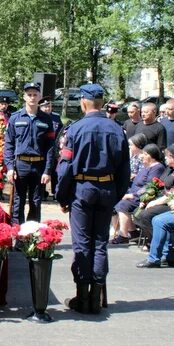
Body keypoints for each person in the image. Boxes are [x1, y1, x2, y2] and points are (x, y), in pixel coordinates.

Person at [55, 83, 130, 314]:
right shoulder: (117, 129)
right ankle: (95, 298)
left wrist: (62, 195)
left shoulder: (75, 129)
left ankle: (83, 297)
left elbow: (66, 167)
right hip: (107, 189)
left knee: (82, 244)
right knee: (99, 243)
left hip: (82, 189)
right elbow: (124, 169)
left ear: (84, 102)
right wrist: (115, 194)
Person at [4, 82, 56, 224]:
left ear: (39, 96)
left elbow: (51, 147)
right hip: (21, 165)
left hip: (39, 165)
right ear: (24, 97)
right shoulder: (15, 118)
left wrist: (47, 171)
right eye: (29, 95)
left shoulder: (46, 119)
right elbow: (8, 144)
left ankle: (31, 237)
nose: (32, 97)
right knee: (18, 202)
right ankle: (18, 236)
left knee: (36, 202)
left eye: (35, 94)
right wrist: (9, 168)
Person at [134, 143, 174, 242]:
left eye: (167, 156)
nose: (165, 158)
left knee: (145, 215)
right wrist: (147, 199)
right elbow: (158, 185)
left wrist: (155, 202)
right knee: (138, 212)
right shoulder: (169, 168)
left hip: (173, 203)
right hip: (160, 199)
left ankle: (161, 244)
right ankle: (153, 241)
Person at [110, 144, 165, 244]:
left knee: (122, 204)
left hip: (144, 197)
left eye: (144, 154)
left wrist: (133, 195)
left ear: (150, 155)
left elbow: (150, 186)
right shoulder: (146, 167)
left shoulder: (157, 168)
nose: (141, 156)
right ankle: (133, 232)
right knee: (119, 202)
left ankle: (123, 235)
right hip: (134, 194)